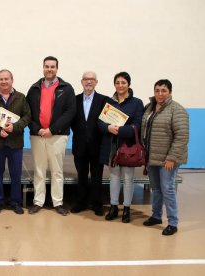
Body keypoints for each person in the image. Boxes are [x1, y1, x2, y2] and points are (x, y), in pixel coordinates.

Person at [26, 56, 75, 216]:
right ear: (43, 68)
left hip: (57, 136)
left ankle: (58, 202)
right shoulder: (34, 88)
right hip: (37, 136)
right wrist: (38, 129)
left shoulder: (66, 88)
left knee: (57, 171)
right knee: (39, 170)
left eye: (52, 67)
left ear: (57, 68)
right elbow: (28, 113)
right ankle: (38, 201)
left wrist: (52, 129)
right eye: (47, 66)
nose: (49, 69)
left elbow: (70, 112)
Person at [141, 79, 189, 236]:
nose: (160, 93)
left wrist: (172, 157)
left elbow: (182, 136)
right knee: (156, 189)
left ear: (170, 92)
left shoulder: (177, 110)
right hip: (152, 156)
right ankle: (156, 216)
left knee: (167, 189)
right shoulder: (149, 107)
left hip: (167, 159)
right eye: (157, 90)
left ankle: (173, 223)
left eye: (163, 90)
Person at [0, 69, 31, 215]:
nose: (3, 81)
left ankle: (15, 202)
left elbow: (27, 116)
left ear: (12, 80)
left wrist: (14, 127)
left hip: (15, 143)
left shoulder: (21, 97)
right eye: (1, 79)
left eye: (6, 79)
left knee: (16, 175)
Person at [99, 72, 144, 223]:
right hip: (112, 145)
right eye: (117, 82)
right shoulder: (109, 102)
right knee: (114, 177)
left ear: (129, 84)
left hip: (128, 146)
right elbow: (100, 123)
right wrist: (108, 128)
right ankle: (113, 207)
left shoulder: (137, 103)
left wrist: (120, 130)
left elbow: (138, 125)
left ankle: (126, 208)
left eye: (123, 82)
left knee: (128, 178)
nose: (120, 85)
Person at [70, 71, 106, 216]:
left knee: (97, 177)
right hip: (79, 145)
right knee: (82, 176)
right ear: (82, 81)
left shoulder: (104, 100)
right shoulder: (74, 100)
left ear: (96, 82)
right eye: (86, 79)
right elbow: (72, 121)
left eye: (92, 79)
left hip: (97, 146)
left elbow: (106, 122)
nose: (89, 82)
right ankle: (81, 202)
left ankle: (97, 203)